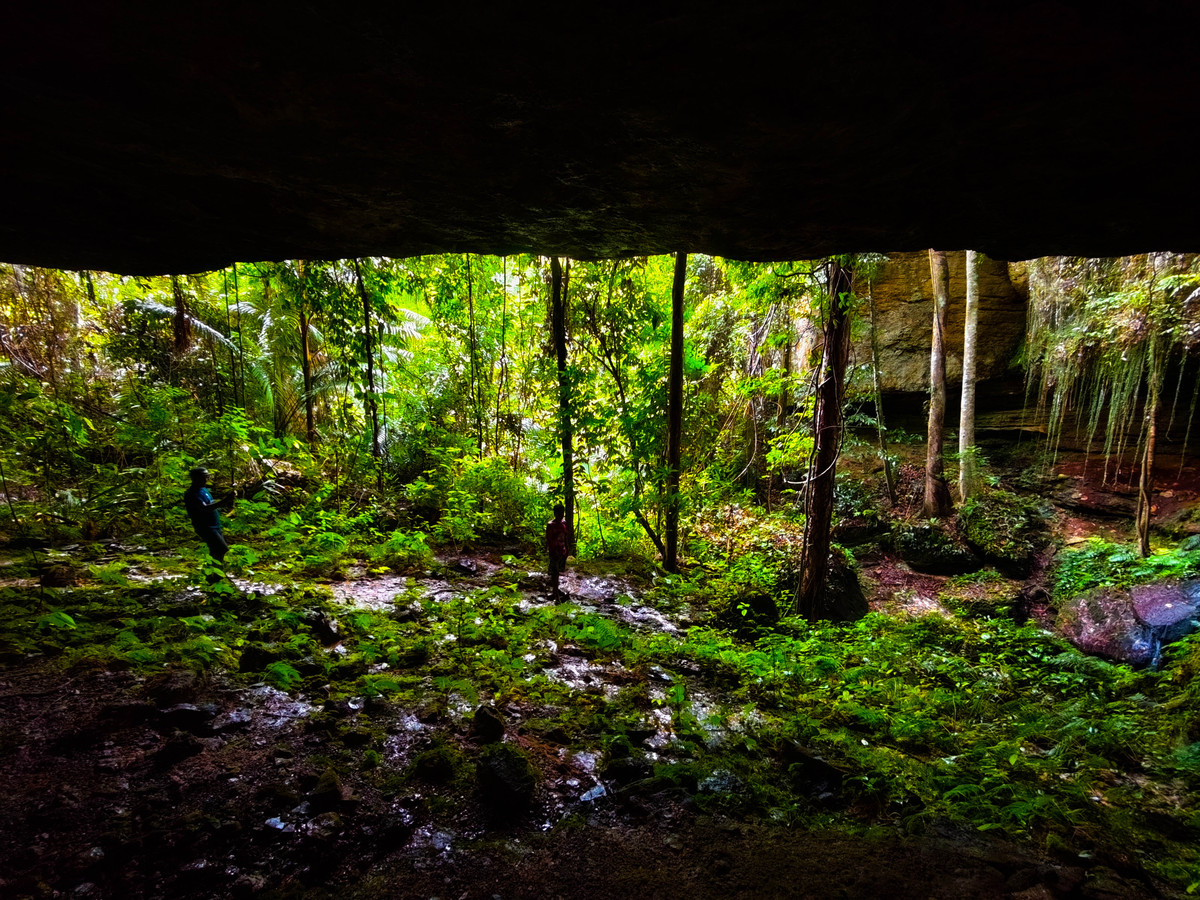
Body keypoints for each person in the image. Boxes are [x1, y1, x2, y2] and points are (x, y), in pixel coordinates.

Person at [184, 467, 228, 563]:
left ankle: (214, 574)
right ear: (195, 478)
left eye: (207, 477)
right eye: (203, 477)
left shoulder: (203, 490)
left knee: (216, 550)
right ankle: (215, 574)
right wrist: (224, 501)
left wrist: (225, 501)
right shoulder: (191, 494)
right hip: (205, 527)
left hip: (215, 525)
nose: (206, 479)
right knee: (222, 549)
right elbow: (205, 508)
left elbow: (210, 503)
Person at [545, 502, 569, 599]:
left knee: (559, 571)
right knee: (554, 572)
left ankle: (556, 590)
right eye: (558, 513)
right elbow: (548, 539)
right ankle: (556, 594)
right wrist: (549, 550)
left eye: (562, 513)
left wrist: (567, 549)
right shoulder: (551, 525)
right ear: (555, 513)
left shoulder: (564, 523)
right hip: (554, 551)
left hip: (562, 550)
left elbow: (566, 536)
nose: (560, 515)